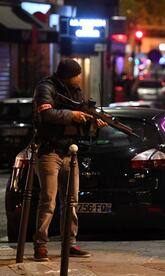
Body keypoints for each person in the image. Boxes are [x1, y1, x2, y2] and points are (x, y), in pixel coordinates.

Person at [32, 58, 107, 261]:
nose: (80, 78)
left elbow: (82, 113)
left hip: (69, 152)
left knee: (71, 201)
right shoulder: (46, 87)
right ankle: (40, 245)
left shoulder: (75, 91)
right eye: (77, 74)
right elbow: (46, 113)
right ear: (68, 76)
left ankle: (70, 243)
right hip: (49, 152)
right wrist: (71, 114)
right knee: (48, 200)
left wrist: (93, 121)